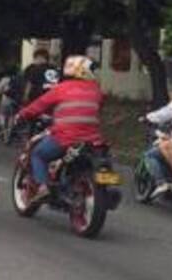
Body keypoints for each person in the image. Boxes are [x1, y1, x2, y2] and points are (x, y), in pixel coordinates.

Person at [16, 56, 105, 202]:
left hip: (65, 138)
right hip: (92, 140)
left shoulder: (61, 89)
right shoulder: (96, 91)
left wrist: (21, 115)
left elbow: (38, 105)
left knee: (38, 154)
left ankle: (43, 187)